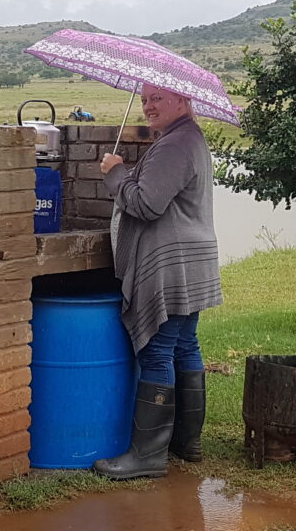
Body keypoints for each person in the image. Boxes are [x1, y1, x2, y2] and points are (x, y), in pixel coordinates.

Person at [92, 84, 223, 480]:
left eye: (158, 98)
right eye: (146, 98)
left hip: (171, 262)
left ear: (184, 100)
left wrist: (115, 175)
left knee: (157, 351)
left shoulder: (175, 144)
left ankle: (148, 455)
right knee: (184, 345)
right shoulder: (190, 139)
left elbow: (147, 204)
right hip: (193, 260)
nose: (148, 106)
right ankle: (186, 441)